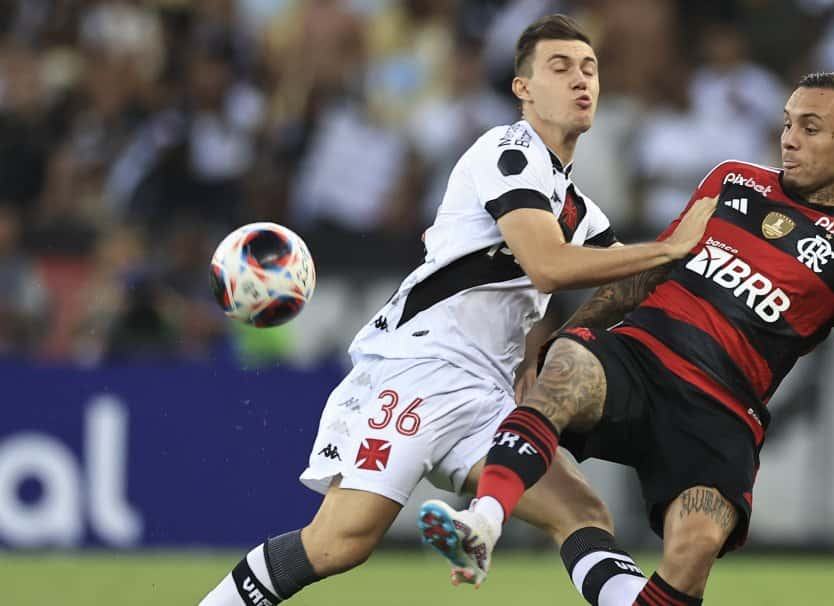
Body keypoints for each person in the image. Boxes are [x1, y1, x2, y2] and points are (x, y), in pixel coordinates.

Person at [200, 14, 716, 605]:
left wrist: (725, 250)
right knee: (339, 543)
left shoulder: (575, 204)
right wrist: (670, 245)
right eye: (561, 67)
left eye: (590, 69)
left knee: (581, 510)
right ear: (523, 88)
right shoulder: (507, 152)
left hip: (484, 392)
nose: (582, 80)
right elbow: (549, 265)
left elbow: (631, 279)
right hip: (422, 371)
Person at [420, 72, 834, 605]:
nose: (789, 138)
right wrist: (563, 342)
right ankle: (483, 523)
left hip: (723, 411)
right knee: (567, 367)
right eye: (787, 123)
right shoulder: (734, 181)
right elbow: (652, 271)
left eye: (811, 128)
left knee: (695, 548)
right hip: (639, 358)